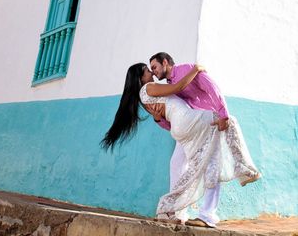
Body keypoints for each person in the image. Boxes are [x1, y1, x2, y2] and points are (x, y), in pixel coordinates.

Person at [102, 62, 259, 225]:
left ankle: (169, 211)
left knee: (184, 166)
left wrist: (157, 118)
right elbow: (177, 87)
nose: (152, 73)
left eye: (152, 68)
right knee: (228, 122)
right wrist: (195, 70)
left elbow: (166, 116)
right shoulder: (148, 88)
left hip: (180, 129)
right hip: (188, 122)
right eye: (148, 71)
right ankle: (243, 168)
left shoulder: (144, 97)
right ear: (140, 78)